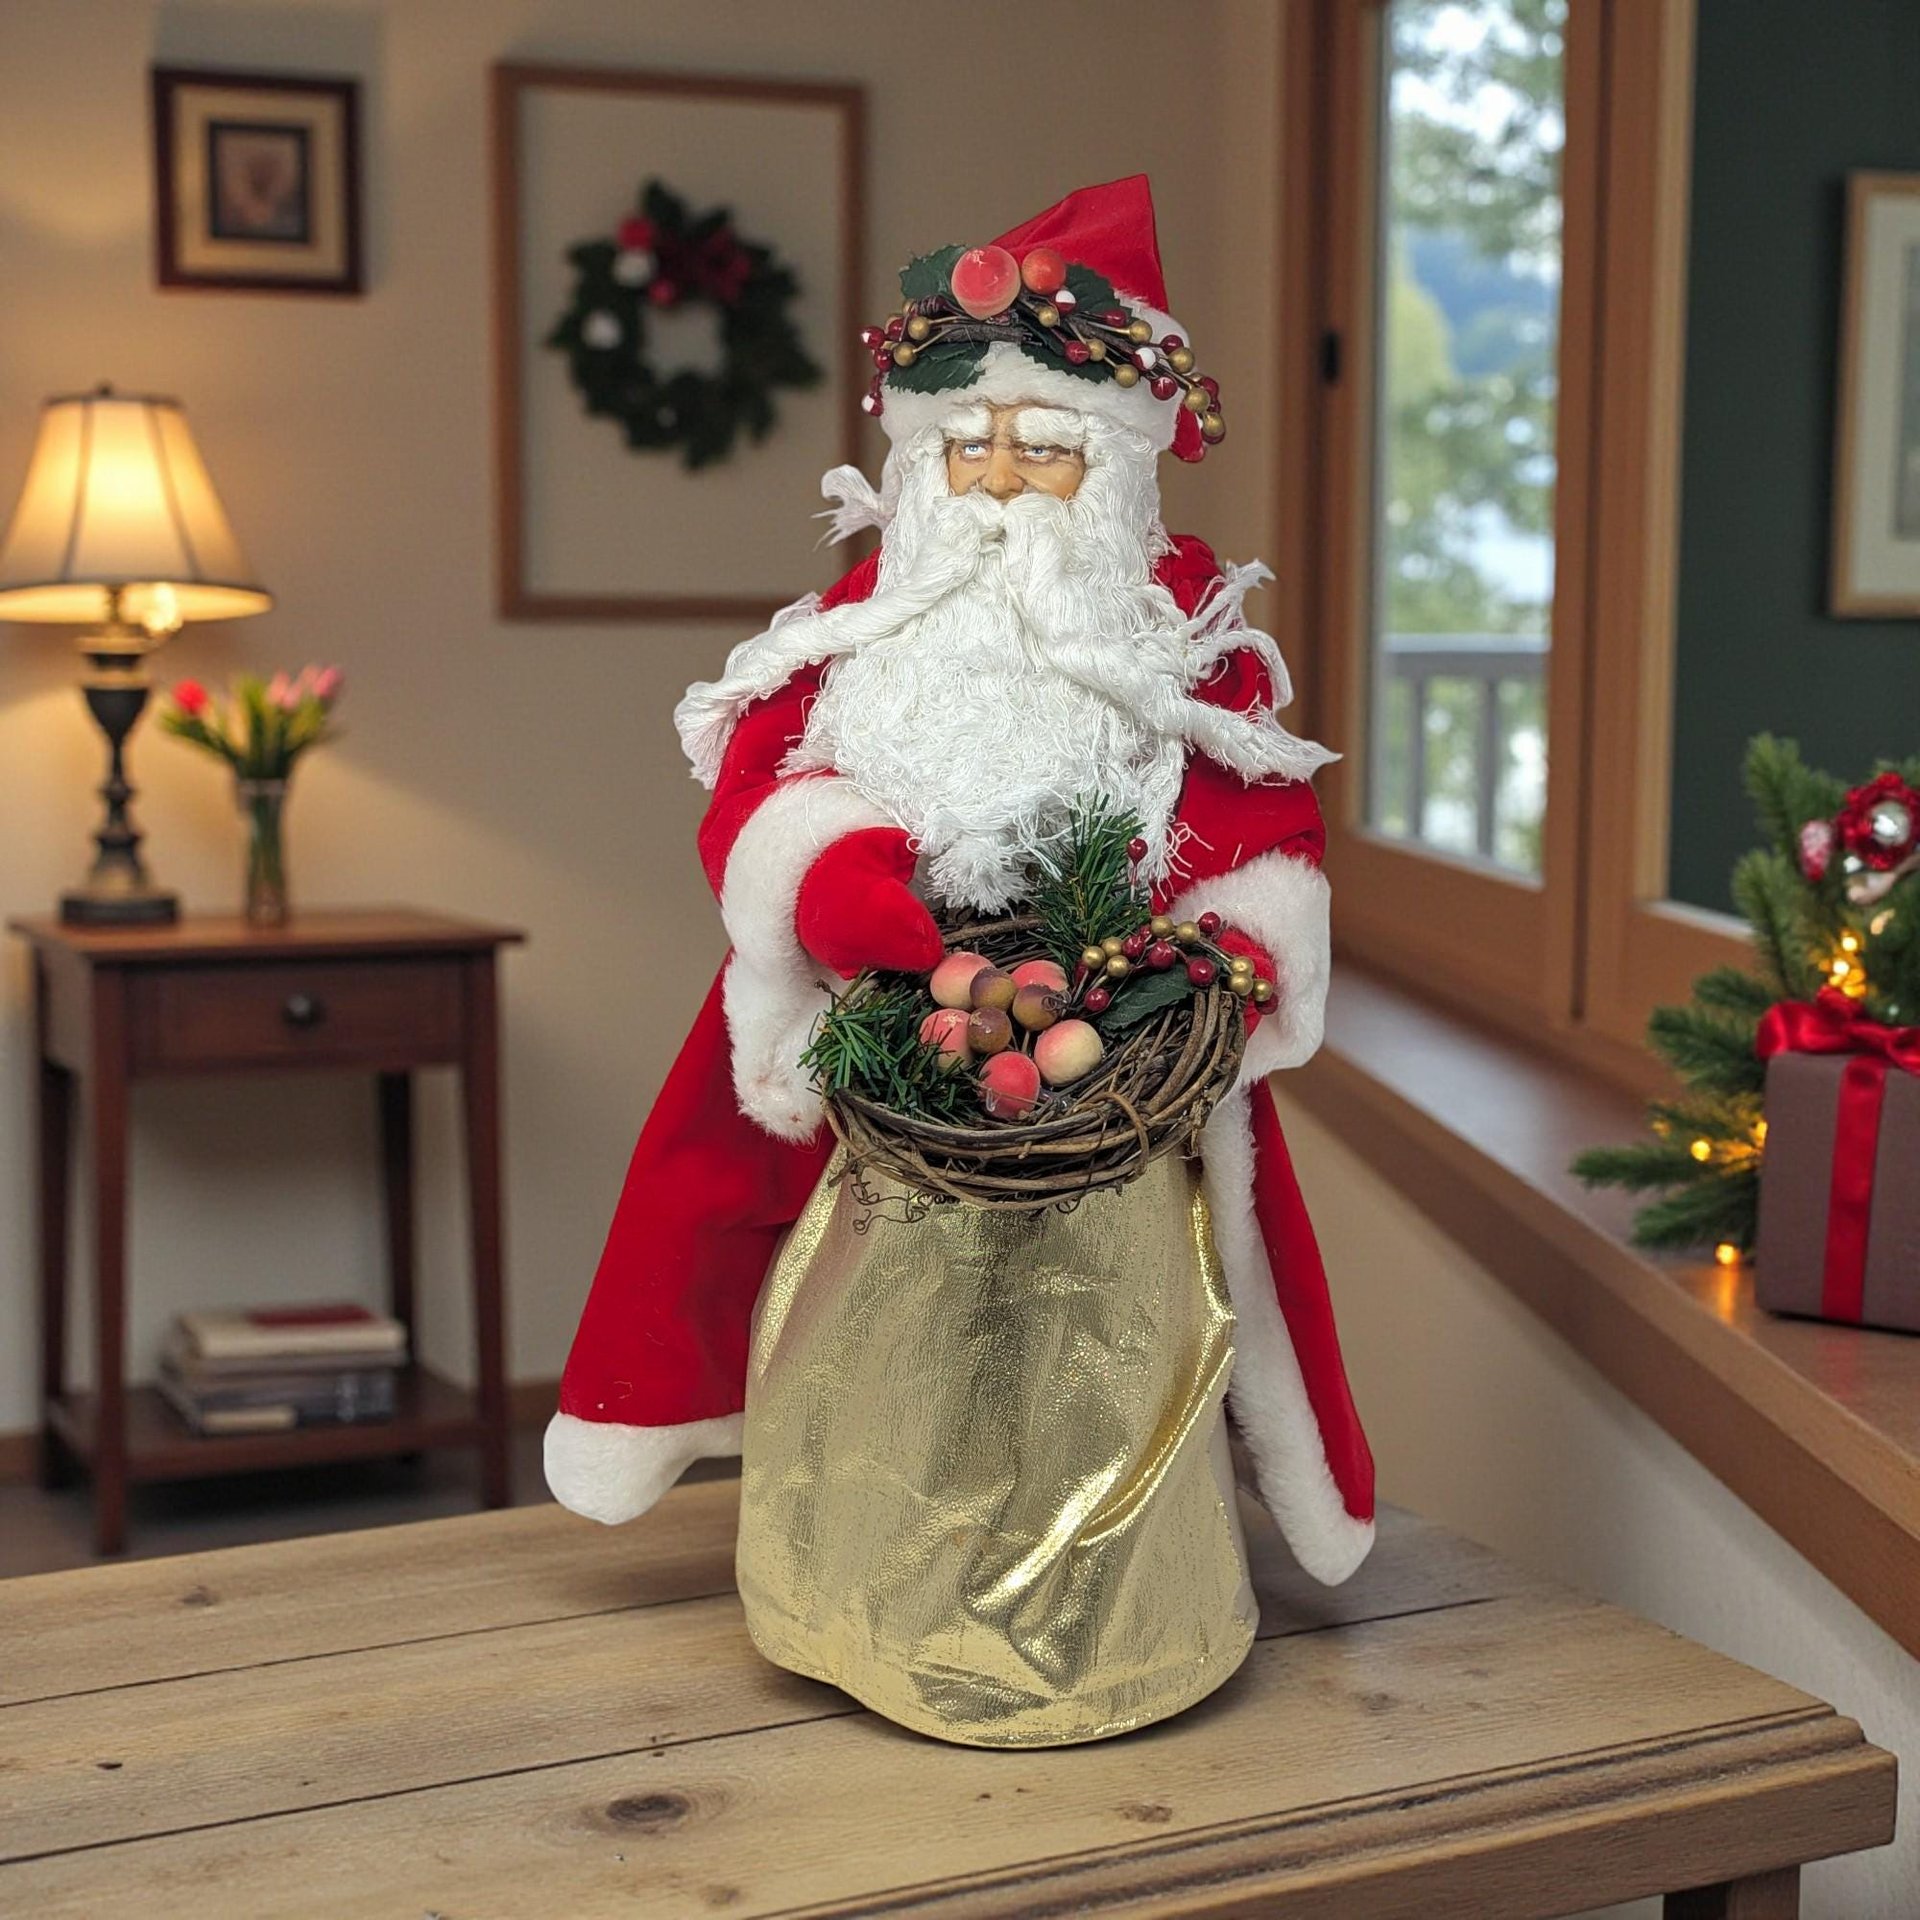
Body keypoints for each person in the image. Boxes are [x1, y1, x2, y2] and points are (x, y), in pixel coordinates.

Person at [547, 176, 1375, 1745]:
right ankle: (839, 1589)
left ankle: (1129, 1625)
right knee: (813, 1294)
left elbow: (1264, 824)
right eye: (963, 446)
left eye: (1044, 445)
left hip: (1125, 1063)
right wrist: (831, 872)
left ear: (1116, 460)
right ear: (912, 460)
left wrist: (1219, 960)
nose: (999, 483)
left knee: (1127, 1346)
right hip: (879, 1057)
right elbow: (763, 788)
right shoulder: (864, 618)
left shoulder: (1178, 634)